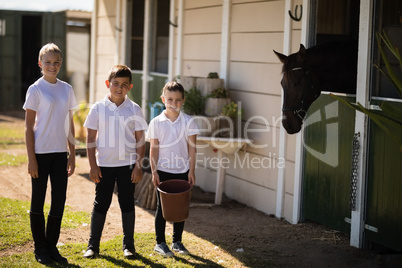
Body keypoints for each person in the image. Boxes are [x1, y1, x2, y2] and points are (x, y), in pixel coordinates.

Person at [83, 64, 147, 259]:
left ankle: (129, 246)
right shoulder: (98, 108)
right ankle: (93, 246)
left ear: (130, 87)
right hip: (104, 165)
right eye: (115, 84)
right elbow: (90, 138)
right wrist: (93, 166)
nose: (119, 88)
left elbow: (140, 140)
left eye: (124, 85)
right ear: (107, 84)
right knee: (101, 203)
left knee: (127, 204)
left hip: (127, 165)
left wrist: (138, 166)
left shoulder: (134, 109)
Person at [23, 43, 77, 264]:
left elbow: (70, 123)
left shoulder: (67, 89)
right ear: (40, 64)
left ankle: (52, 247)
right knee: (38, 201)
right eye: (48, 62)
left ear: (60, 63)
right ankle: (40, 248)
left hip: (59, 154)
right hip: (41, 153)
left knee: (59, 201)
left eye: (56, 62)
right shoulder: (35, 89)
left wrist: (72, 153)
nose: (52, 66)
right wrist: (31, 159)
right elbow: (28, 127)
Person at [147, 81, 199, 257]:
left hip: (182, 170)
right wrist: (154, 171)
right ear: (163, 100)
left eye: (178, 100)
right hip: (162, 170)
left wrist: (191, 171)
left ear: (183, 101)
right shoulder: (156, 122)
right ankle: (160, 242)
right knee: (162, 209)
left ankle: (177, 241)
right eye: (170, 99)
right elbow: (153, 149)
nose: (174, 103)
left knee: (180, 207)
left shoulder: (188, 121)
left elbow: (192, 148)